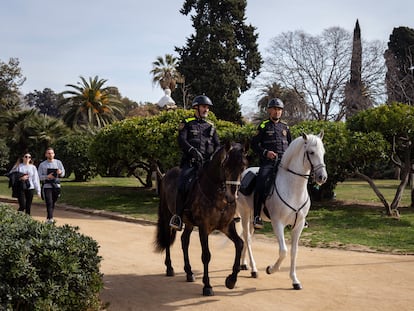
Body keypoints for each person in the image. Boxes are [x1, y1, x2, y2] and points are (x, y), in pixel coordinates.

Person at [169, 95, 220, 231]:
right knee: (182, 184)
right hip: (190, 164)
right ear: (196, 107)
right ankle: (178, 217)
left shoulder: (211, 126)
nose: (206, 110)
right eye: (204, 107)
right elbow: (181, 140)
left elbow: (217, 145)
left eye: (207, 108)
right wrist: (192, 150)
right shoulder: (187, 123)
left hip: (207, 166)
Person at [251, 98, 292, 229]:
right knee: (261, 182)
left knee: (299, 182)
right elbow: (254, 145)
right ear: (269, 110)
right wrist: (266, 153)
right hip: (269, 163)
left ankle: (298, 215)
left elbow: (291, 146)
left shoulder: (285, 127)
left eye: (279, 109)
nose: (277, 112)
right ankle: (257, 216)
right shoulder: (263, 126)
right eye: (274, 109)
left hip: (284, 164)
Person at [38, 147, 65, 224]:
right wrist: (47, 176)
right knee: (49, 201)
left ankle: (49, 216)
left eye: (52, 153)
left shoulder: (58, 163)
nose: (50, 155)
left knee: (53, 202)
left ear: (54, 154)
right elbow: (39, 176)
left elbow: (63, 173)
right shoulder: (42, 164)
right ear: (46, 154)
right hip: (47, 185)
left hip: (56, 185)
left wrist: (60, 173)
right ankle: (50, 218)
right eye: (49, 153)